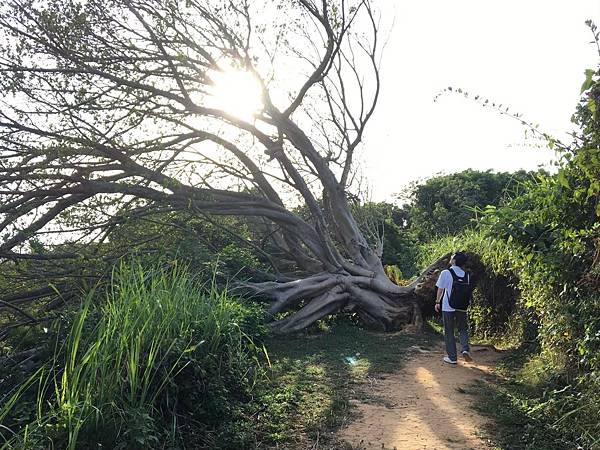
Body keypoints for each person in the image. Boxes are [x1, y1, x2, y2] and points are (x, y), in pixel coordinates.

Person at [435, 252, 473, 364]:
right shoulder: (466, 275)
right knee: (462, 329)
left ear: (455, 260)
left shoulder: (446, 273)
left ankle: (452, 357)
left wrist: (437, 301)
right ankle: (465, 349)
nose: (451, 258)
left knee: (449, 331)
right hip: (462, 306)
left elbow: (440, 289)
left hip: (448, 306)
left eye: (452, 257)